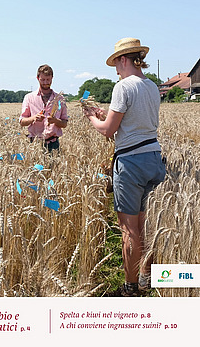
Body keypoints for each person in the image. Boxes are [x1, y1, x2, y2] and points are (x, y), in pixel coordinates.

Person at [83, 38, 166, 296]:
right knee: (147, 226)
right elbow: (134, 119)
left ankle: (130, 288)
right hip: (154, 158)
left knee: (129, 230)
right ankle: (145, 278)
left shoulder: (122, 87)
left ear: (123, 59)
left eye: (116, 65)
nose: (116, 71)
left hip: (130, 163)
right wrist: (105, 113)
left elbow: (109, 130)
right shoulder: (152, 86)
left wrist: (91, 119)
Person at [19, 64, 68, 152]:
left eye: (48, 79)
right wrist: (34, 118)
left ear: (52, 78)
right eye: (43, 80)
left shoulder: (60, 99)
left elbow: (64, 124)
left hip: (53, 144)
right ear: (38, 78)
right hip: (34, 144)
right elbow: (22, 122)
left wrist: (55, 121)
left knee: (53, 166)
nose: (45, 82)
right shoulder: (29, 98)